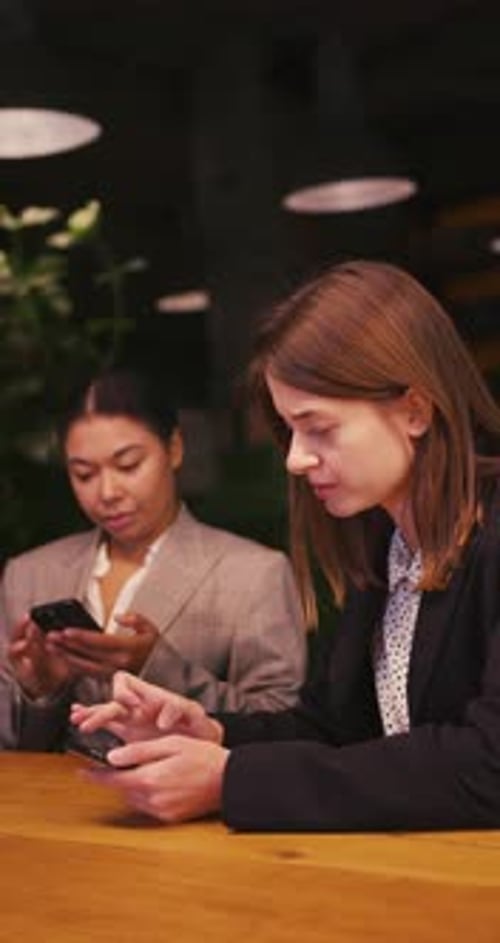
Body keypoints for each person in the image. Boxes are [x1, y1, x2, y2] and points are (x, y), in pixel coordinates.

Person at [72, 259, 500, 832]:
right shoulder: (387, 544)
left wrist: (230, 779)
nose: (296, 459)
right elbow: (333, 726)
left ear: (414, 410)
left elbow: (488, 765)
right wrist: (209, 732)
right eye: (289, 430)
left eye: (319, 428)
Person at [0, 366, 306, 751]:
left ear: (174, 449)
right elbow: (11, 747)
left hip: (189, 808)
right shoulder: (30, 574)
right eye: (84, 474)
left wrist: (152, 666)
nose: (107, 491)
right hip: (50, 803)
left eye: (128, 465)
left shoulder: (251, 573)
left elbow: (282, 724)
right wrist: (41, 691)